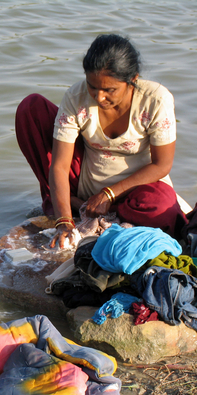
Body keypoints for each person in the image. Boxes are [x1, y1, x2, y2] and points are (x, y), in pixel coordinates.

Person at [16, 34, 188, 248]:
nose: (99, 97)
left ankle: (91, 209)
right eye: (92, 87)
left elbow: (162, 164)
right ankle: (75, 204)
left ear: (132, 80)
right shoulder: (75, 97)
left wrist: (109, 194)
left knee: (162, 208)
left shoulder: (156, 99)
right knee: (31, 108)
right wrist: (64, 222)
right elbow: (59, 166)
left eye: (110, 90)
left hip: (136, 190)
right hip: (86, 182)